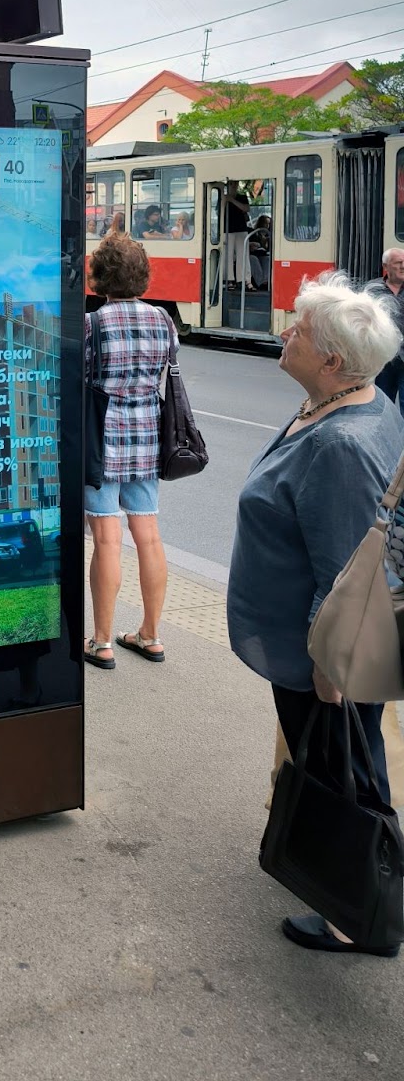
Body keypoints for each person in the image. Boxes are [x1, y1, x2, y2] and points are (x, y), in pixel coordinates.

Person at [227, 273, 404, 955]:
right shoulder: (340, 401)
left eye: (297, 330)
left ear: (332, 359)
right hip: (312, 642)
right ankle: (339, 873)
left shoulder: (340, 444)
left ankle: (358, 910)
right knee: (341, 760)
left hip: (323, 651)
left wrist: (330, 666)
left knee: (345, 771)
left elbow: (341, 569)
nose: (284, 334)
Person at [83, 234, 175, 669]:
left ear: (100, 276)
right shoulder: (163, 320)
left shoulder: (93, 324)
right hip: (148, 439)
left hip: (102, 441)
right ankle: (151, 635)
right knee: (149, 536)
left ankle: (101, 643)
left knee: (106, 539)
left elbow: (83, 377)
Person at [365, 248, 404, 404]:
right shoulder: (372, 289)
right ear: (386, 267)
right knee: (383, 403)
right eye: (398, 263)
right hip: (383, 359)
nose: (403, 266)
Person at [224, 190, 251, 286]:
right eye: (231, 184)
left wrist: (231, 200)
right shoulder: (223, 197)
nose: (233, 186)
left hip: (241, 228)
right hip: (227, 229)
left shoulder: (242, 197)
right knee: (228, 255)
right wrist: (225, 200)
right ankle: (228, 279)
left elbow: (246, 208)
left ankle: (245, 279)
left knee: (243, 255)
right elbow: (219, 210)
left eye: (235, 184)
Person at [248, 215, 272, 291]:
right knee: (253, 259)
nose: (267, 226)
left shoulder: (270, 235)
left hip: (263, 254)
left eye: (269, 224)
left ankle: (265, 281)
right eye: (265, 223)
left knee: (267, 259)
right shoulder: (253, 233)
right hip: (252, 253)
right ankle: (260, 282)